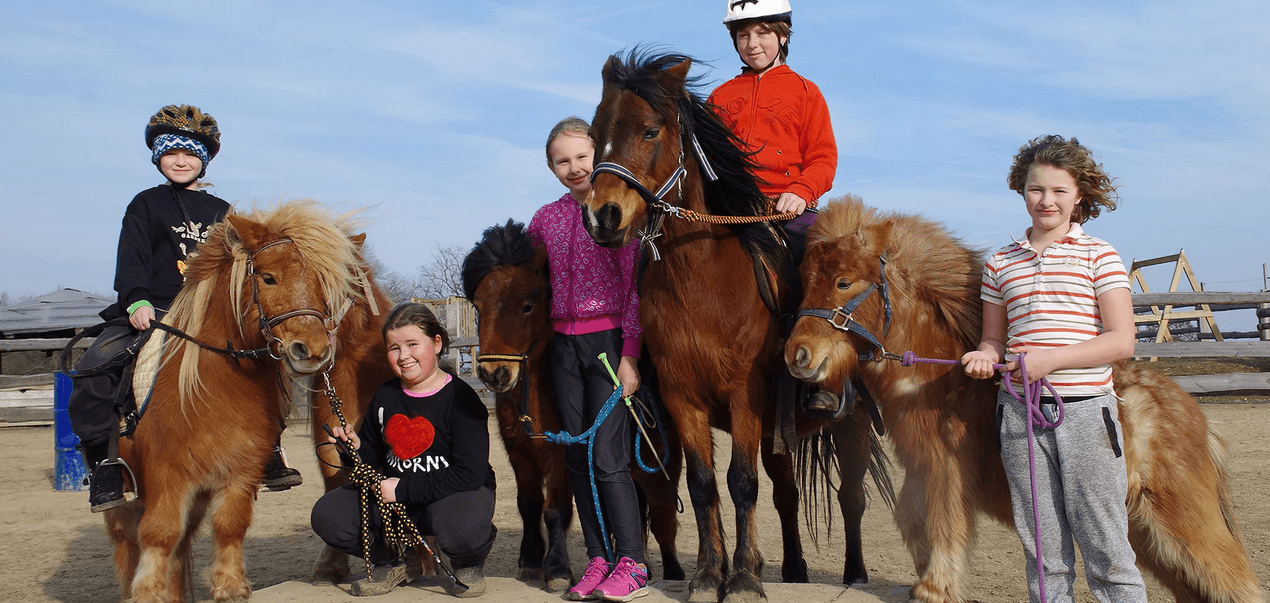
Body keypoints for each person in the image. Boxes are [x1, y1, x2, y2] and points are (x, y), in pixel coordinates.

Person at [68, 104, 302, 513]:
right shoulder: (145, 204)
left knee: (269, 361)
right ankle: (105, 465)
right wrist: (137, 299)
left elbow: (240, 268)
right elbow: (131, 260)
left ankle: (268, 447)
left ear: (204, 160)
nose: (180, 161)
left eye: (191, 153)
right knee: (94, 367)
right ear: (157, 157)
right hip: (154, 309)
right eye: (171, 152)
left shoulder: (223, 212)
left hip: (211, 315)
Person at [960, 135, 1146, 602]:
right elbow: (993, 340)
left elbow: (1122, 340)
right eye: (1036, 189)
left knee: (1107, 547)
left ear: (1079, 195)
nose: (1047, 200)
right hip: (1019, 416)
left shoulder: (1099, 255)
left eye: (1060, 190)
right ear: (1021, 191)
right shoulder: (999, 263)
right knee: (1043, 553)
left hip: (1086, 414)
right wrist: (984, 356)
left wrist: (1050, 360)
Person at [528, 117, 649, 602]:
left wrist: (630, 357)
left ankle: (633, 562)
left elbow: (635, 290)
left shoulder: (616, 210)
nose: (574, 167)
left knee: (606, 456)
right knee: (576, 456)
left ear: (598, 156)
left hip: (609, 344)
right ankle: (598, 558)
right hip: (563, 347)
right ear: (552, 167)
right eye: (563, 161)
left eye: (582, 156)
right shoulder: (545, 219)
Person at [312, 302, 497, 598]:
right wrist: (353, 449)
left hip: (450, 498)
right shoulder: (386, 395)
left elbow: (470, 474)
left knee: (462, 525)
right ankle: (393, 560)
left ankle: (468, 562)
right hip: (397, 504)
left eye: (412, 344)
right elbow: (372, 455)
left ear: (437, 343)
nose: (404, 356)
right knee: (328, 514)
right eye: (394, 348)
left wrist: (402, 489)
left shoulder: (462, 400)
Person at [707, 0, 838, 265]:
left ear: (783, 35)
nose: (752, 44)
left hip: (786, 210)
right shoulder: (719, 97)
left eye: (762, 33)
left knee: (824, 267)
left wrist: (801, 191)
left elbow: (823, 158)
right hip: (727, 209)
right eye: (743, 35)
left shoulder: (806, 92)